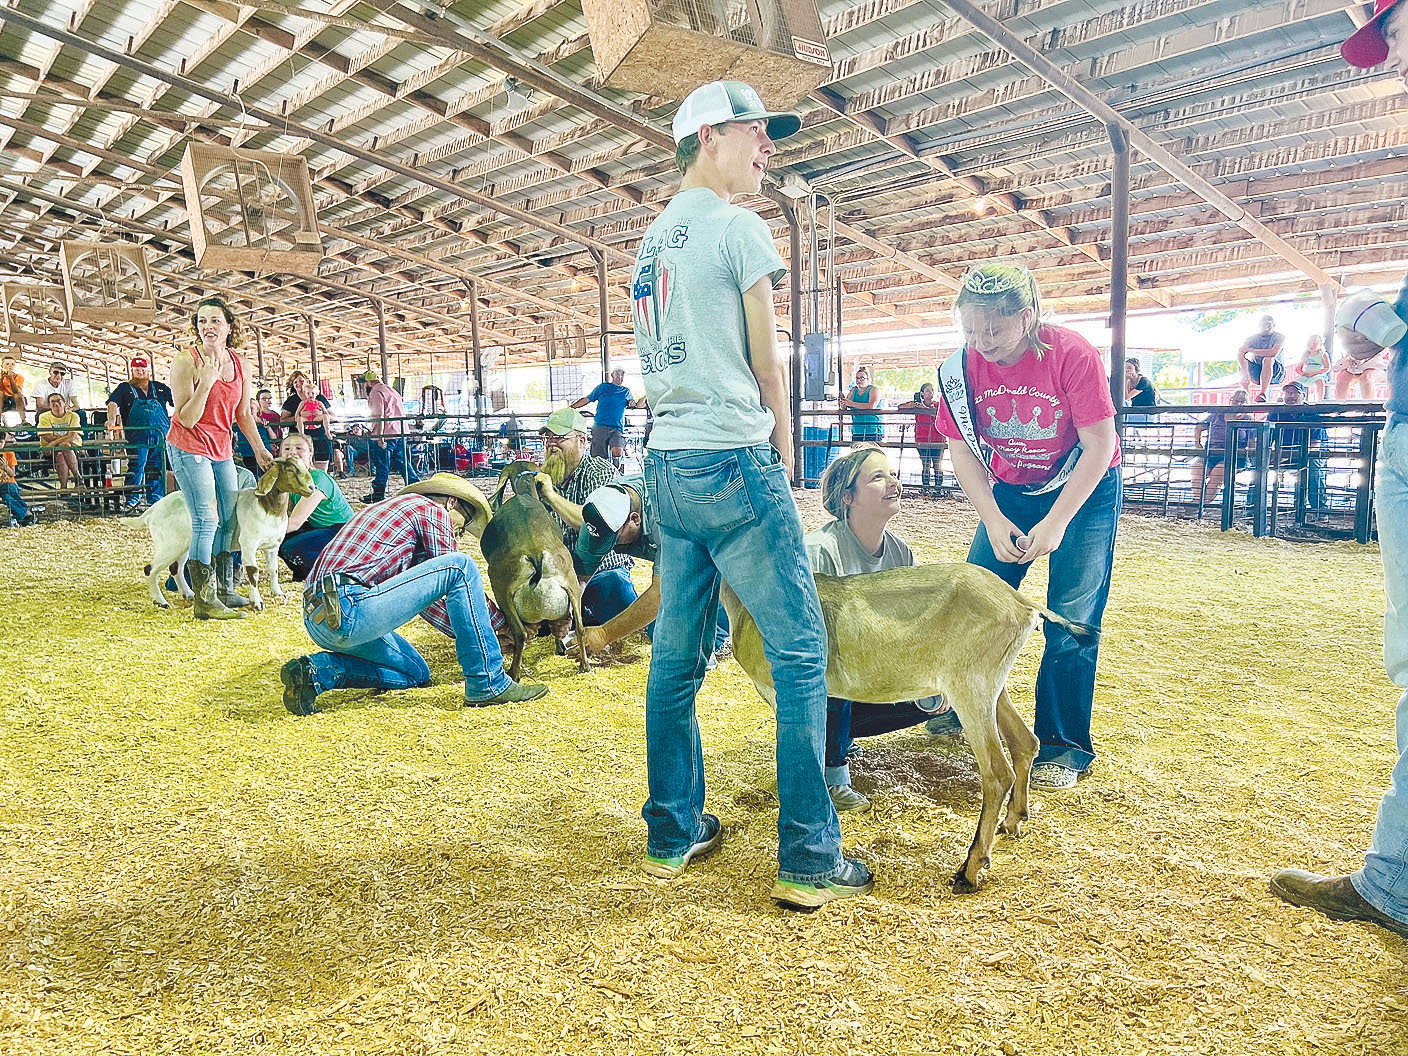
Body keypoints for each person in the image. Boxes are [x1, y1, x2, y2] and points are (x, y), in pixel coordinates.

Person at [630, 79, 871, 908]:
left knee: (675, 658)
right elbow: (770, 362)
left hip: (666, 464)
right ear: (707, 138)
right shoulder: (738, 228)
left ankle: (673, 830)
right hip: (733, 458)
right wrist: (783, 454)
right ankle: (808, 856)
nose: (768, 147)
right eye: (755, 133)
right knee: (802, 650)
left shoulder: (652, 240)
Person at [934, 263, 1121, 792]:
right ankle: (965, 711)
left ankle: (1062, 744)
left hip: (1083, 489)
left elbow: (1100, 445)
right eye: (971, 330)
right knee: (974, 604)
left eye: (994, 329)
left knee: (1072, 613)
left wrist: (1058, 520)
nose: (982, 342)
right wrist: (992, 519)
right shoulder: (959, 369)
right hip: (1009, 490)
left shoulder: (1071, 353)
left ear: (1029, 317)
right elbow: (961, 452)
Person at [281, 472, 546, 715]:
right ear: (452, 503)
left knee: (415, 673)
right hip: (350, 606)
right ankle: (488, 682)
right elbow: (453, 569)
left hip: (320, 620)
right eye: (461, 526)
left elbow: (428, 602)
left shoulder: (389, 516)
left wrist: (482, 632)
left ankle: (318, 672)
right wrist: (504, 623)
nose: (458, 533)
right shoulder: (431, 509)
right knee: (461, 566)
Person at [804, 445, 951, 813]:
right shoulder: (819, 551)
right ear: (847, 497)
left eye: (892, 474)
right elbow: (809, 640)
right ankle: (831, 775)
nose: (894, 482)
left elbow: (917, 624)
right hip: (821, 684)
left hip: (872, 676)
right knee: (835, 674)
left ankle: (840, 736)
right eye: (878, 477)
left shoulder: (901, 553)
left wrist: (934, 676)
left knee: (937, 695)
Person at [537, 472, 731, 663]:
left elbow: (661, 594)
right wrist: (567, 613)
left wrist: (604, 634)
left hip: (716, 543)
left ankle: (711, 640)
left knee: (680, 644)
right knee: (657, 631)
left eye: (614, 539)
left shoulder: (667, 519)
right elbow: (579, 580)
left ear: (635, 519)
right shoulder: (599, 521)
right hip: (674, 543)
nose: (610, 547)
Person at [167, 296, 274, 621]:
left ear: (229, 326)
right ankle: (205, 598)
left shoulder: (241, 363)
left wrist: (258, 447)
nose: (208, 326)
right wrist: (207, 383)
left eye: (215, 320)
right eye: (202, 321)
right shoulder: (186, 361)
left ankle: (226, 587)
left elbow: (242, 413)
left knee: (229, 518)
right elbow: (186, 418)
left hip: (221, 447)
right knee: (206, 519)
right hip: (188, 445)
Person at [536, 406, 633, 625]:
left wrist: (550, 496)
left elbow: (594, 522)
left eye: (559, 437)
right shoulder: (543, 478)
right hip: (559, 576)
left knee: (614, 587)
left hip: (602, 572)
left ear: (582, 441)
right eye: (548, 438)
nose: (551, 444)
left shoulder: (600, 471)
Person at [276, 432, 352, 582]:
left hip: (343, 529)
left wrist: (261, 535)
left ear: (310, 454)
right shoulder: (289, 481)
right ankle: (302, 574)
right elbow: (285, 513)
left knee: (290, 546)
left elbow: (294, 523)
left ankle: (324, 575)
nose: (292, 452)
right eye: (286, 449)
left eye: (299, 448)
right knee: (281, 541)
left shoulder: (317, 478)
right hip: (319, 527)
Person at [105, 355, 175, 510]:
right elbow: (112, 403)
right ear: (132, 371)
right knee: (137, 465)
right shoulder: (124, 388)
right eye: (137, 370)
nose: (140, 372)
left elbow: (178, 401)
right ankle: (132, 500)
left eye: (142, 369)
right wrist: (111, 420)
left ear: (147, 369)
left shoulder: (160, 387)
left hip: (160, 436)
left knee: (156, 467)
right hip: (137, 436)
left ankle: (155, 501)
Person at [1267, 381, 1328, 510]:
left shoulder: (1313, 413)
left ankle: (1319, 507)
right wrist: (1269, 454)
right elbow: (1267, 438)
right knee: (1258, 463)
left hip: (1310, 453)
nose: (1291, 395)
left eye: (1295, 392)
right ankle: (1254, 506)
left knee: (1313, 466)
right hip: (1284, 453)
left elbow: (1314, 446)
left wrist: (1283, 456)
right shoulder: (1276, 413)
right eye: (1288, 393)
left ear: (1303, 396)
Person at [1190, 389, 1253, 506]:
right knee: (1197, 468)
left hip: (1234, 456)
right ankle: (1198, 503)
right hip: (1211, 453)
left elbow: (1252, 442)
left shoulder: (1248, 419)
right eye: (1236, 401)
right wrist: (1197, 444)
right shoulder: (1216, 414)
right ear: (1231, 401)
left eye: (1242, 402)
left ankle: (1201, 505)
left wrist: (1247, 453)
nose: (1238, 404)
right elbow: (1199, 427)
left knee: (1218, 473)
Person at [364, 369, 418, 502]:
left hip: (387, 433)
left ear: (369, 382)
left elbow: (379, 416)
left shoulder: (376, 392)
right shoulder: (392, 391)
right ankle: (416, 488)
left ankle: (378, 494)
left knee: (382, 464)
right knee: (403, 462)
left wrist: (380, 437)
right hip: (400, 431)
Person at [1331, 295, 1397, 401]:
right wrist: (1350, 360)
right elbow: (1345, 355)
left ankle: (1368, 409)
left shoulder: (1379, 331)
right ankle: (1339, 409)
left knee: (1366, 377)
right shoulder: (1351, 333)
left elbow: (1383, 352)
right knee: (1343, 377)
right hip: (1354, 367)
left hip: (1376, 367)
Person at [573, 368, 635, 467]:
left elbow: (632, 403)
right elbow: (587, 399)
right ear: (612, 375)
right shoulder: (603, 387)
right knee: (598, 457)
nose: (620, 377)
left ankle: (616, 471)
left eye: (622, 375)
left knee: (617, 451)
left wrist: (632, 403)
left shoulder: (626, 391)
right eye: (618, 374)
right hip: (600, 425)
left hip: (617, 427)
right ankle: (600, 474)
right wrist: (571, 408)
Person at [279, 370, 333, 471]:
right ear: (293, 386)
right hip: (298, 439)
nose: (298, 384)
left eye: (301, 381)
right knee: (301, 468)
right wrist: (301, 416)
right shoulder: (291, 401)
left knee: (321, 467)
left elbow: (332, 415)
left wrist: (320, 415)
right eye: (295, 382)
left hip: (320, 436)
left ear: (307, 381)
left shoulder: (320, 398)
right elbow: (282, 421)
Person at [897, 383, 945, 491]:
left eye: (932, 390)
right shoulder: (917, 405)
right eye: (927, 391)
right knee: (926, 464)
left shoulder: (937, 405)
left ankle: (938, 488)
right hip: (922, 439)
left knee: (937, 465)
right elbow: (900, 407)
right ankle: (926, 488)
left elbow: (941, 416)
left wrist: (923, 408)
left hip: (937, 439)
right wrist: (913, 405)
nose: (930, 393)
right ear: (922, 393)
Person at [37, 392, 81, 497]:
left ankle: (64, 489)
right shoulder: (43, 417)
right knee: (64, 446)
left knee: (63, 450)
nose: (56, 404)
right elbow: (46, 436)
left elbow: (73, 436)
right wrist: (60, 441)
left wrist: (54, 442)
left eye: (59, 401)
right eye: (53, 401)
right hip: (51, 450)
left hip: (70, 448)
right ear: (49, 405)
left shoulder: (74, 416)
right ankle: (78, 478)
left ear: (64, 403)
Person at [1238, 314, 1286, 401]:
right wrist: (1244, 371)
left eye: (1268, 324)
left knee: (1268, 359)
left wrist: (1251, 350)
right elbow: (1241, 351)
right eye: (1263, 324)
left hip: (1275, 372)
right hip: (1257, 371)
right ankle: (1245, 393)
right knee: (1243, 361)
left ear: (1273, 326)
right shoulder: (1252, 338)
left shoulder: (1279, 337)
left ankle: (1263, 393)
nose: (1266, 327)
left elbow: (1273, 352)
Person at [0, 430, 38, 526]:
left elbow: (12, 474)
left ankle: (25, 515)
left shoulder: (9, 454)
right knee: (7, 495)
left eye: (1, 442)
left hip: (9, 482)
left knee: (7, 495)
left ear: (4, 442)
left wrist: (5, 467)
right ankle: (27, 513)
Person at [234, 395, 277, 475]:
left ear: (258, 410)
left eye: (251, 408)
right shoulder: (238, 424)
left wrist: (268, 428)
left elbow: (274, 438)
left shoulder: (263, 423)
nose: (248, 411)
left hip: (263, 454)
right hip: (246, 454)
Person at [840, 366, 882, 442]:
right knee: (857, 453)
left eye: (862, 378)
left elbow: (871, 406)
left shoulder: (874, 390)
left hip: (872, 430)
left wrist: (851, 403)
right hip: (857, 430)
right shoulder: (853, 390)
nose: (859, 380)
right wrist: (843, 403)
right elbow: (845, 406)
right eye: (857, 378)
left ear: (868, 379)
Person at [1290, 334, 1333, 402]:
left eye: (1314, 343)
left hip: (1318, 374)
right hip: (1306, 374)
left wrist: (1314, 373)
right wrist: (1303, 373)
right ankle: (1294, 399)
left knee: (1320, 381)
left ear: (1320, 344)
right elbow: (1298, 368)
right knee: (1293, 383)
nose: (1311, 345)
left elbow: (1327, 368)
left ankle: (1320, 400)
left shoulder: (1323, 354)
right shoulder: (1305, 354)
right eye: (1309, 343)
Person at [0, 356, 26, 425]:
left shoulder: (18, 376)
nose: (10, 366)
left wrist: (11, 378)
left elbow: (16, 391)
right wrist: (1, 379)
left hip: (15, 400)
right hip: (3, 400)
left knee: (18, 395)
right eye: (7, 364)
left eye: (12, 364)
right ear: (2, 366)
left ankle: (23, 420)